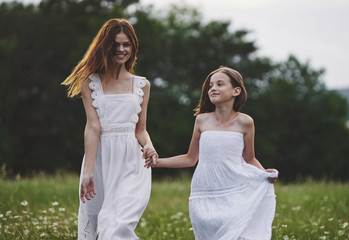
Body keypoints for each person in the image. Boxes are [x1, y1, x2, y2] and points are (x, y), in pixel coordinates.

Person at [147, 66, 278, 240]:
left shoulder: (246, 122)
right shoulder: (201, 120)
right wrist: (158, 162)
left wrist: (265, 174)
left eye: (220, 84)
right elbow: (190, 158)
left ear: (236, 91)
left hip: (234, 190)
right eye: (210, 85)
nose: (213, 88)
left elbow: (249, 158)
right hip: (205, 190)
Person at [62, 18, 158, 240]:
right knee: (96, 225)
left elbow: (140, 130)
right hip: (101, 160)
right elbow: (93, 127)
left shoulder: (142, 85)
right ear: (106, 46)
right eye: (116, 44)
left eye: (126, 44)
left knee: (118, 225)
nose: (121, 49)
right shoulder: (91, 82)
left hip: (132, 162)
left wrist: (149, 147)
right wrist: (88, 171)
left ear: (133, 47)